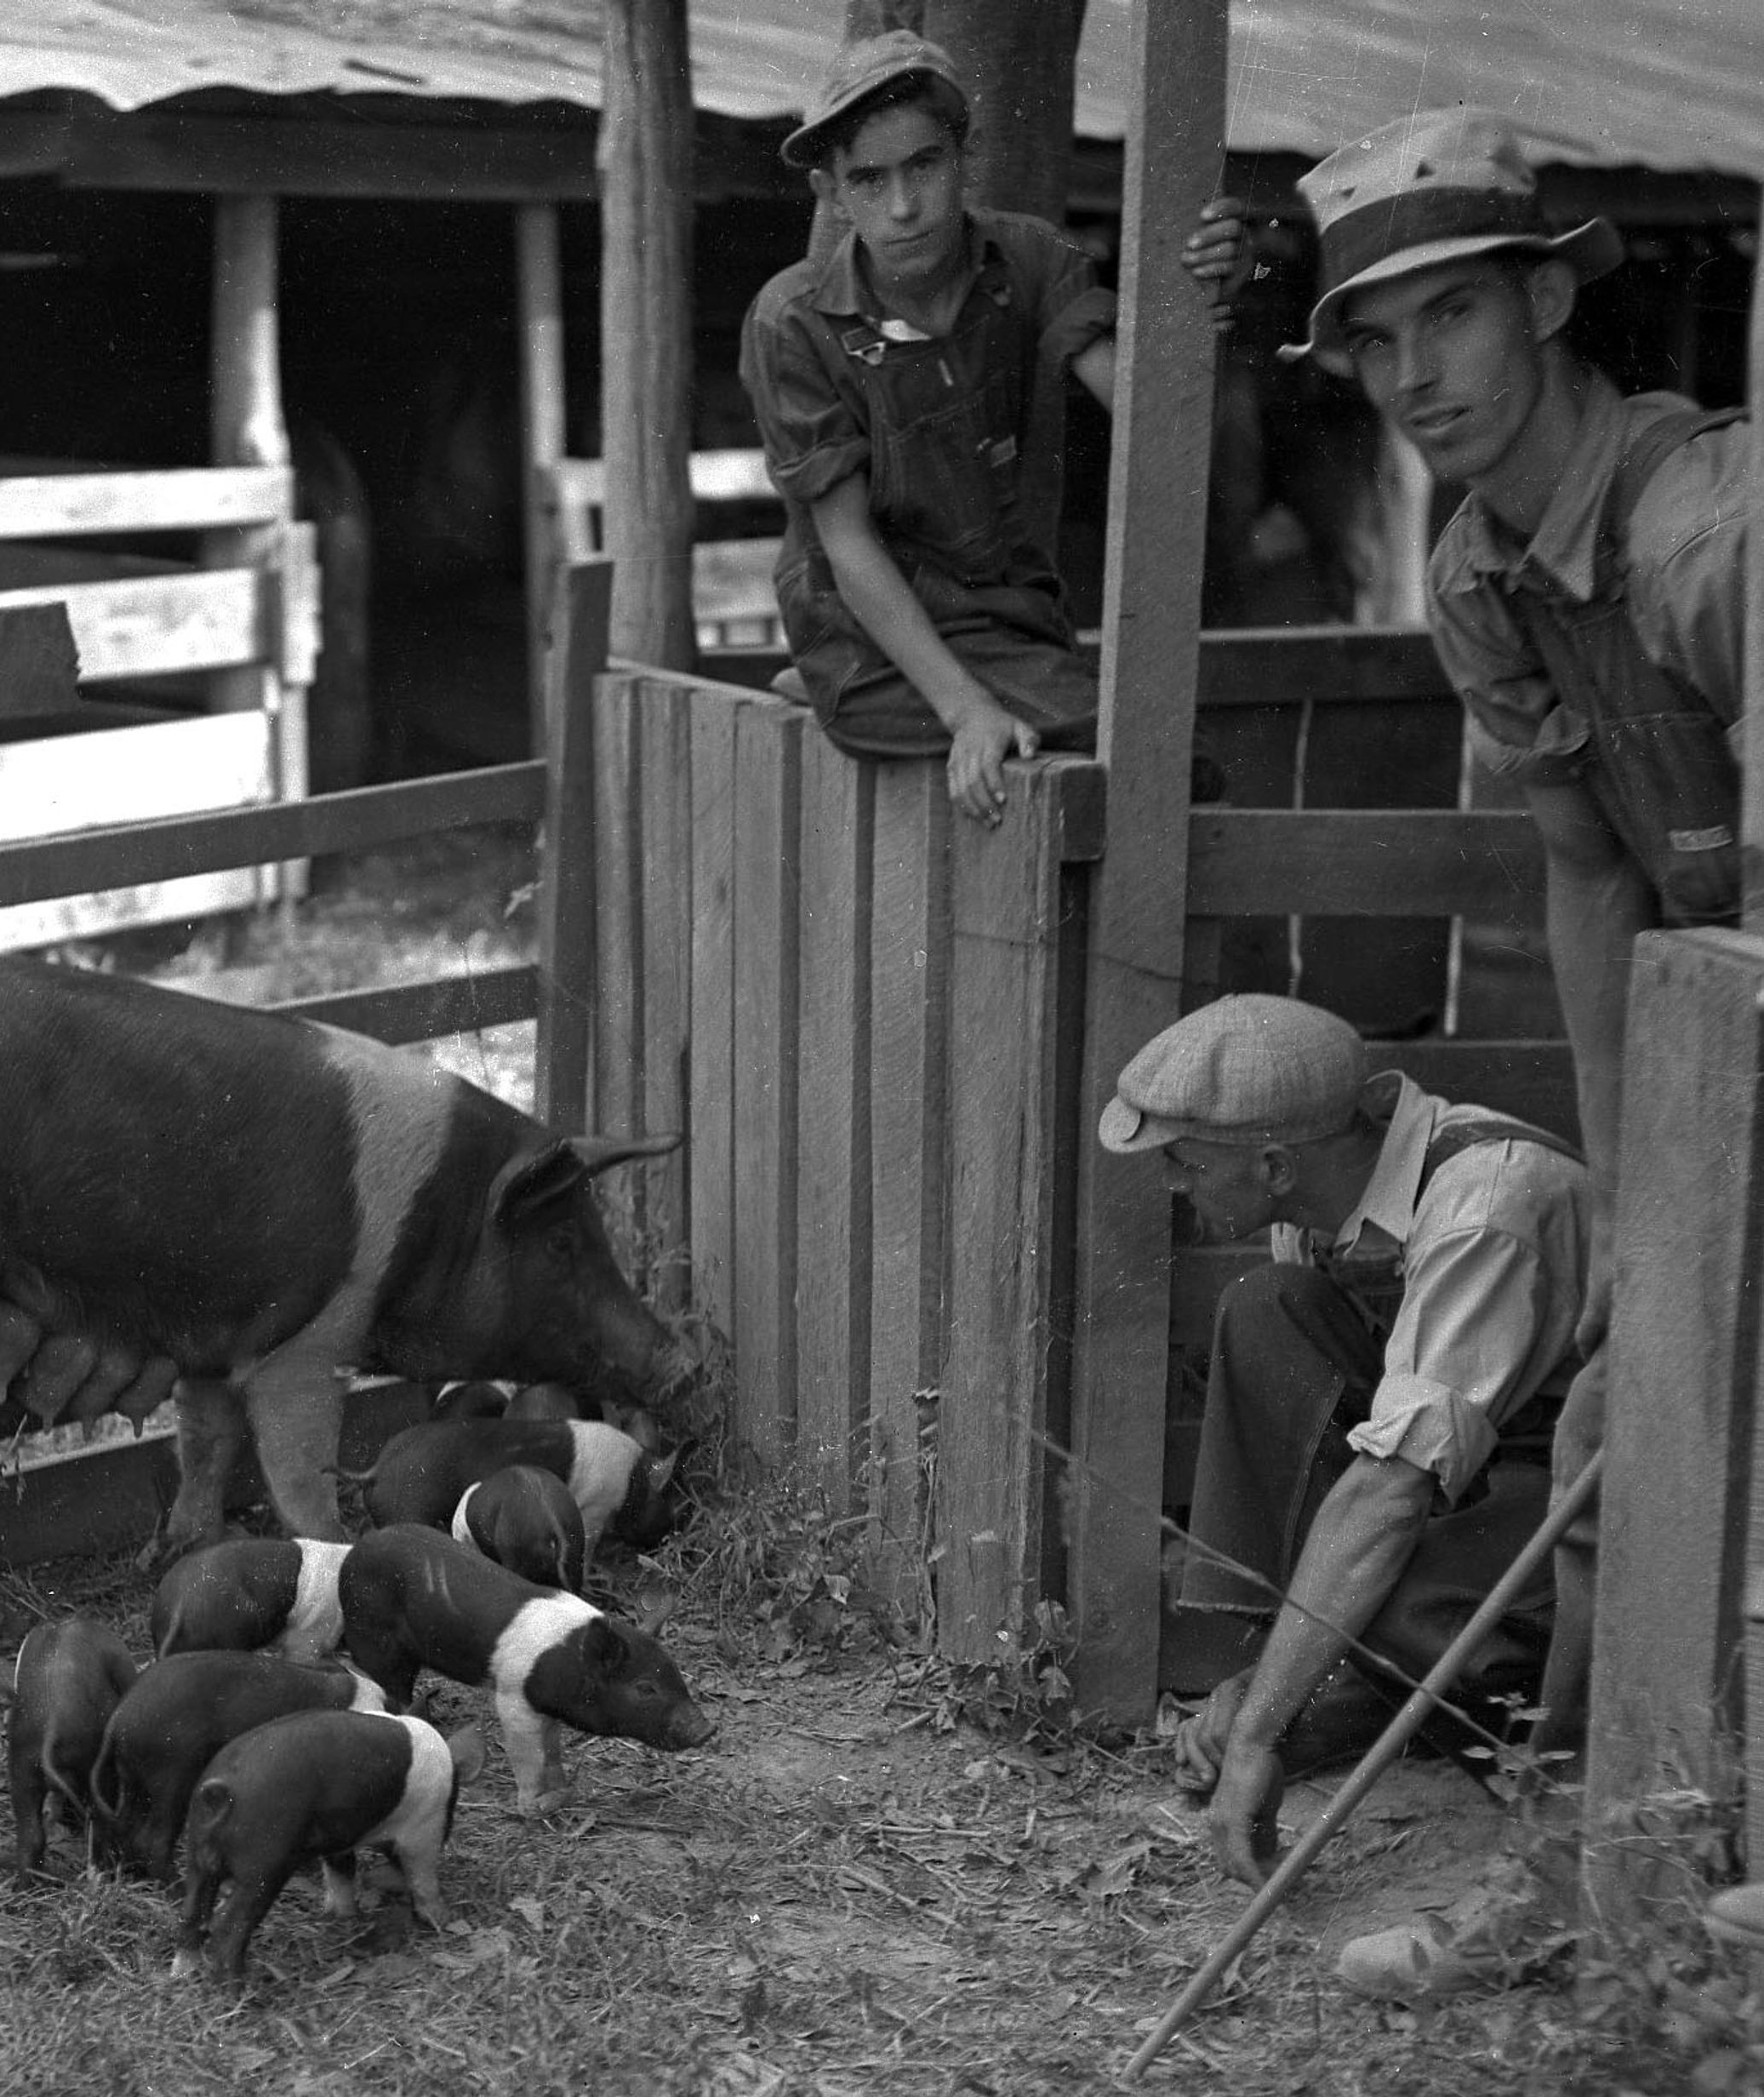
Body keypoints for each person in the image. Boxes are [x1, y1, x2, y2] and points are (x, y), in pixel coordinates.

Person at [1292, 107, 1752, 1988]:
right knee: (1634, 1419)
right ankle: (1595, 1871)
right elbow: (1587, 875)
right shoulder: (1486, 572)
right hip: (1722, 1020)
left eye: (1453, 320)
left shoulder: (1713, 536)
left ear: (1552, 301)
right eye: (1377, 345)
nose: (1414, 379)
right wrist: (1647, 1216)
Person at [1108, 997, 1596, 1995]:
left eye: (1186, 1161)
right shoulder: (1333, 1194)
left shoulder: (1483, 1211)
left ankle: (1544, 1840)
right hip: (1472, 1457)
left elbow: (1387, 1496)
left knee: (1418, 1590)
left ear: (1277, 1165)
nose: (1172, 1183)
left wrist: (1251, 1734)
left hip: (1586, 1484)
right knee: (1269, 1312)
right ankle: (1312, 1680)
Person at [742, 31, 1251, 823]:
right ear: (832, 194)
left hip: (1009, 625)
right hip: (864, 636)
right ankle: (838, 687)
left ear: (964, 155)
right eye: (868, 181)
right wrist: (963, 712)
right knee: (1159, 769)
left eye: (925, 165)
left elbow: (1145, 413)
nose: (904, 206)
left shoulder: (1031, 261)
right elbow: (846, 545)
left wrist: (1202, 298)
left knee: (1151, 760)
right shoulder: (793, 322)